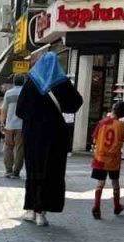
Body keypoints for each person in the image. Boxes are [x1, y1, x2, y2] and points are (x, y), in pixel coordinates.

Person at [18, 52, 83, 227]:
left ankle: (31, 209)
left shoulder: (31, 81)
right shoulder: (61, 82)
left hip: (32, 134)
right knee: (50, 171)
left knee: (33, 170)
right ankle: (42, 212)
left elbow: (20, 110)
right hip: (54, 134)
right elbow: (76, 103)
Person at [91, 100, 124, 220]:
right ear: (123, 114)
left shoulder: (102, 122)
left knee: (100, 183)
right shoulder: (122, 125)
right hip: (113, 159)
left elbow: (94, 139)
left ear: (112, 110)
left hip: (100, 157)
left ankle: (97, 206)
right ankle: (116, 206)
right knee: (115, 182)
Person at [1, 75, 26, 178]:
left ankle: (8, 170)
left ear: (14, 82)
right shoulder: (26, 93)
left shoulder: (8, 93)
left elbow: (4, 110)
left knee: (8, 147)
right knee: (19, 148)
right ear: (24, 82)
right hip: (22, 126)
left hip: (9, 125)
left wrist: (2, 122)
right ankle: (16, 171)